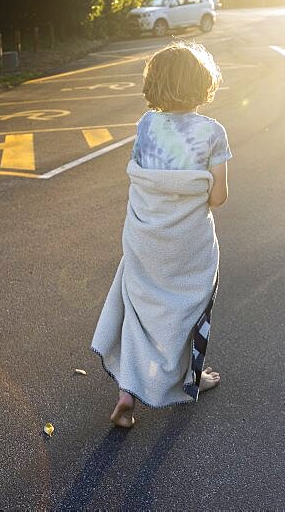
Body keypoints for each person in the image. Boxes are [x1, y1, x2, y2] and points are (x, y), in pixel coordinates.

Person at [91, 41, 231, 428]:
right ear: (203, 84)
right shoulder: (212, 133)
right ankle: (192, 377)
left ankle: (126, 394)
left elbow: (143, 178)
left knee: (138, 310)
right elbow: (218, 197)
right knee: (190, 308)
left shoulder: (146, 125)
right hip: (189, 242)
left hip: (143, 236)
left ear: (153, 83)